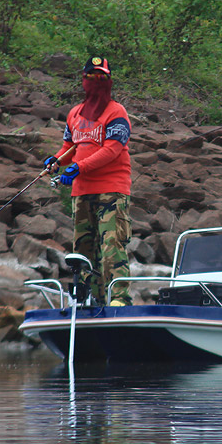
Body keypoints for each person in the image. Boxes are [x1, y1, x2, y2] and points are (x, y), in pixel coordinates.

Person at [43, 56, 133, 306]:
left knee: (111, 245)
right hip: (81, 193)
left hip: (112, 191)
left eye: (101, 77)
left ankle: (119, 299)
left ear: (109, 81)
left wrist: (77, 168)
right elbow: (69, 146)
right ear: (83, 80)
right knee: (82, 249)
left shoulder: (117, 112)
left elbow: (112, 150)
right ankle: (87, 298)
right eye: (91, 77)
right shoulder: (75, 114)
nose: (96, 82)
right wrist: (56, 161)